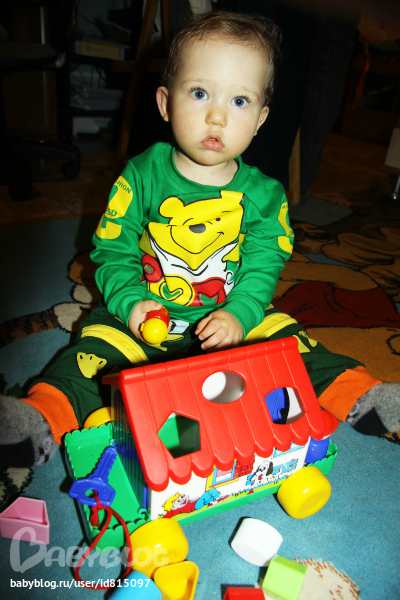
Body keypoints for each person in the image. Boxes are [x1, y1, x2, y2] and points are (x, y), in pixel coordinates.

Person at [0, 11, 398, 468]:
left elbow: (264, 265)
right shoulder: (141, 175)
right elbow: (112, 249)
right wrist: (130, 302)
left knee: (292, 343)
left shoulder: (266, 196)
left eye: (239, 101)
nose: (217, 116)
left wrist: (239, 314)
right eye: (200, 93)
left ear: (261, 119)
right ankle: (39, 417)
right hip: (143, 318)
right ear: (166, 103)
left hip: (230, 319)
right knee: (90, 353)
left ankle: (361, 394)